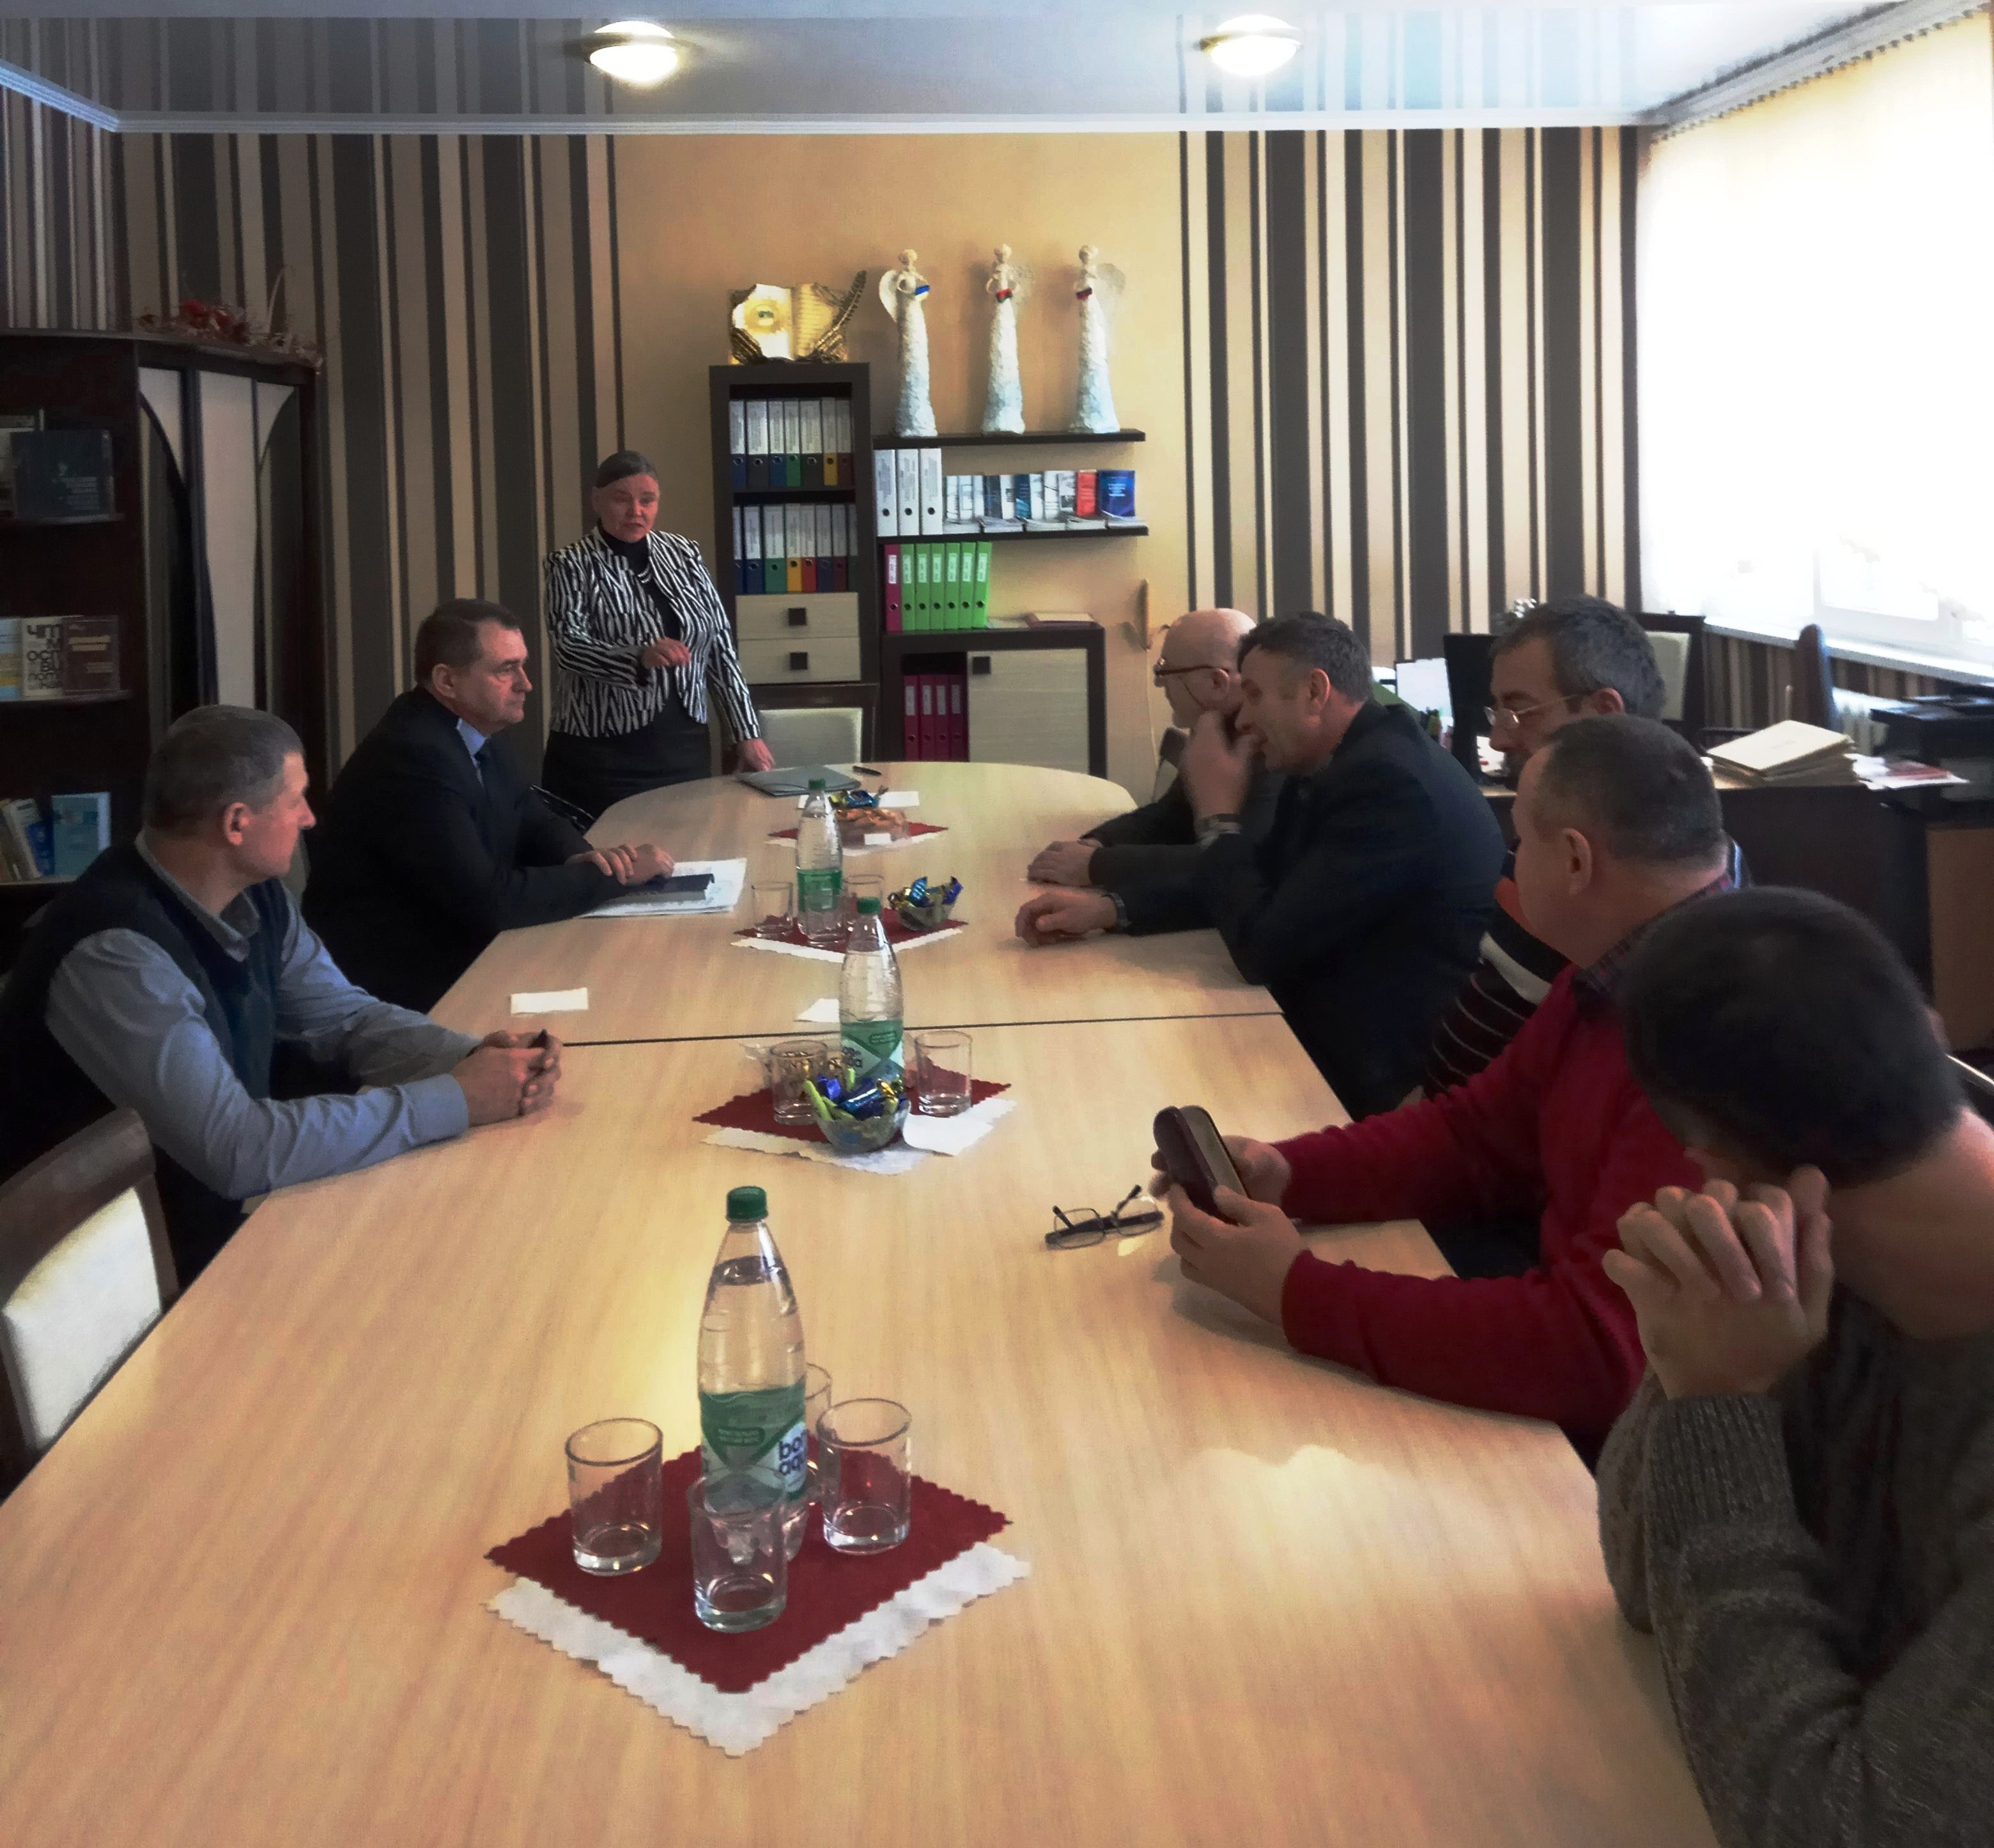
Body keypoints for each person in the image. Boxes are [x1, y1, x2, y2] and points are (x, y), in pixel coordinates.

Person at [1155, 716, 1735, 1450]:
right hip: (1558, 1348)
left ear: (1576, 860)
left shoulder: (1709, 1041)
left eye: (1520, 843)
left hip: (1625, 1450)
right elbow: (1476, 1136)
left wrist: (1295, 1291)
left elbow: (1595, 1349)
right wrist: (1291, 1171)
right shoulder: (1621, 962)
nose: (1507, 867)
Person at [1600, 889, 1994, 1845]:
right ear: (1929, 1032)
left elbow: (1838, 1828)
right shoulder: (1824, 1272)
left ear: (1715, 1158)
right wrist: (1708, 1357)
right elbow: (1646, 1584)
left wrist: (1714, 1407)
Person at [0, 706, 559, 1282]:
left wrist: (470, 1057)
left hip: (197, 1231)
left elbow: (345, 1019)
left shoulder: (255, 894)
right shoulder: (117, 950)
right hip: (97, 1283)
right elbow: (235, 1148)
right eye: (296, 800)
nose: (310, 818)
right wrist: (456, 1099)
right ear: (237, 823)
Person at [1018, 612, 1505, 1117]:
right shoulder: (1336, 757)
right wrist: (1112, 910)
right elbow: (1261, 879)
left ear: (1314, 692)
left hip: (1375, 1075)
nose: (1244, 718)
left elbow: (1263, 948)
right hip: (1319, 1021)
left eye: (1254, 695)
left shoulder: (1389, 784)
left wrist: (1218, 817)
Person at [304, 599, 675, 1013]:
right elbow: (489, 901)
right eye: (506, 669)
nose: (526, 684)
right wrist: (614, 877)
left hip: (457, 952)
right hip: (398, 990)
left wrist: (583, 855)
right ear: (447, 681)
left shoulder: (470, 731)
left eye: (523, 666)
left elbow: (530, 815)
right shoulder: (413, 755)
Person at [1421, 594, 1670, 1098]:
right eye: (1498, 710)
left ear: (1603, 713)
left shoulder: (1643, 879)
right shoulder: (1545, 835)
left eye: (1520, 710)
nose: (1498, 739)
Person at [540, 449, 774, 819]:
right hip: (601, 753)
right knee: (610, 851)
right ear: (597, 501)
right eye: (622, 499)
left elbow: (719, 649)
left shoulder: (684, 554)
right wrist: (638, 657)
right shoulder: (570, 564)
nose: (636, 511)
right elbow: (568, 646)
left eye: (647, 500)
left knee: (686, 846)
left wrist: (747, 733)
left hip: (683, 748)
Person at [1024, 608, 1280, 901]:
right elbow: (1173, 815)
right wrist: (1099, 843)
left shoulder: (1273, 748)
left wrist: (1097, 867)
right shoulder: (1219, 731)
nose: (1159, 684)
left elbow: (1238, 867)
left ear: (1216, 683)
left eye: (1165, 670)